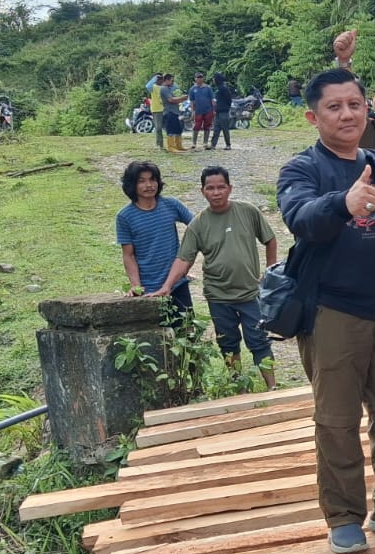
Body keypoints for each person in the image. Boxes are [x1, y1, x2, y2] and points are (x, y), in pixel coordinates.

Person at [277, 69, 375, 554]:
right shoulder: (301, 169)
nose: (346, 114)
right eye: (333, 107)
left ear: (368, 110)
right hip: (332, 312)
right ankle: (343, 515)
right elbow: (300, 218)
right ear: (312, 116)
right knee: (336, 419)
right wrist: (342, 202)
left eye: (354, 105)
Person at [153, 166, 280, 389]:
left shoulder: (248, 211)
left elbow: (270, 239)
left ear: (230, 188)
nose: (216, 192)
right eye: (210, 188)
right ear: (202, 191)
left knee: (259, 341)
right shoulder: (198, 224)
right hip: (218, 296)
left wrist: (270, 271)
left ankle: (272, 387)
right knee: (228, 344)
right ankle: (237, 387)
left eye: (221, 187)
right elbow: (184, 260)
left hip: (250, 293)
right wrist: (166, 286)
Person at [116, 160, 195, 319]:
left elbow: (198, 227)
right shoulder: (124, 216)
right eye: (142, 181)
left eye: (152, 179)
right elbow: (128, 255)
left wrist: (187, 258)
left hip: (177, 283)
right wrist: (136, 286)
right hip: (148, 288)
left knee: (187, 334)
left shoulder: (171, 205)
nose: (149, 185)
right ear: (132, 185)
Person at [187, 73, 216, 150]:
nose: (199, 79)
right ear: (195, 79)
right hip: (198, 110)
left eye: (201, 77)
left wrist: (214, 110)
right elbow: (192, 101)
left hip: (208, 110)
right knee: (196, 126)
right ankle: (194, 142)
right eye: (198, 78)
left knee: (207, 126)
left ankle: (205, 142)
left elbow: (212, 99)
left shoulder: (208, 88)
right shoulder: (193, 89)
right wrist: (192, 111)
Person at [158, 75, 186, 153]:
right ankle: (171, 147)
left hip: (175, 111)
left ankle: (179, 145)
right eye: (171, 80)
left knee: (178, 129)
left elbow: (175, 99)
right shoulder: (164, 88)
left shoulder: (170, 88)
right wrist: (182, 98)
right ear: (166, 80)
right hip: (169, 111)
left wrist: (180, 99)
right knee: (171, 130)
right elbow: (170, 100)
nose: (172, 82)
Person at [209, 74, 235, 150]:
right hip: (218, 112)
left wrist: (226, 108)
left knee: (225, 129)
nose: (213, 80)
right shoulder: (218, 88)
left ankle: (228, 145)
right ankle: (213, 145)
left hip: (223, 112)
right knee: (216, 129)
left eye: (214, 79)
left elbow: (229, 99)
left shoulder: (224, 88)